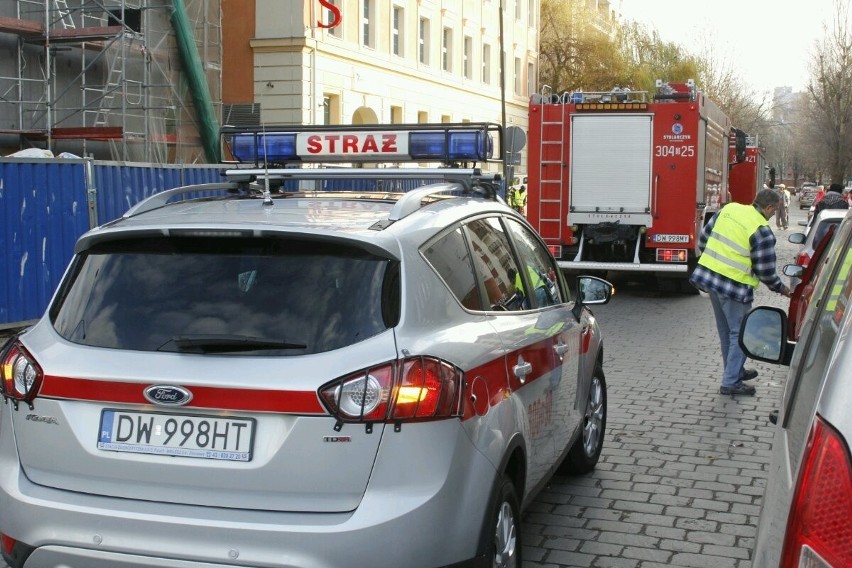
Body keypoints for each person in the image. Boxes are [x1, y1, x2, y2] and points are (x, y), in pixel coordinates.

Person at [689, 189, 792, 396]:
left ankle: (734, 370)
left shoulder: (729, 209)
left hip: (711, 280)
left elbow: (704, 239)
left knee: (726, 331)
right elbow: (766, 271)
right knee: (740, 332)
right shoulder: (761, 230)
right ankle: (731, 381)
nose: (774, 215)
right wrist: (782, 289)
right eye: (775, 210)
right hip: (734, 287)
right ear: (769, 207)